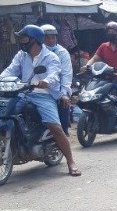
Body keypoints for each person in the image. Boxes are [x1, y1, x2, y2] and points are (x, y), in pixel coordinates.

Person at [0, 24, 81, 176]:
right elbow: (10, 70)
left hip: (44, 94)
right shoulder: (21, 55)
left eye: (24, 39)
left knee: (55, 127)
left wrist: (46, 82)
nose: (22, 42)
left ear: (34, 40)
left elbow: (54, 74)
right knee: (5, 113)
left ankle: (71, 161)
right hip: (23, 93)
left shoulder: (51, 57)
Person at [41, 24, 73, 136]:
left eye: (53, 37)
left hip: (58, 89)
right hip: (39, 89)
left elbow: (66, 74)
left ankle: (63, 133)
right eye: (47, 37)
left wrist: (63, 93)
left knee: (62, 106)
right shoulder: (34, 51)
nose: (50, 40)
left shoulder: (62, 52)